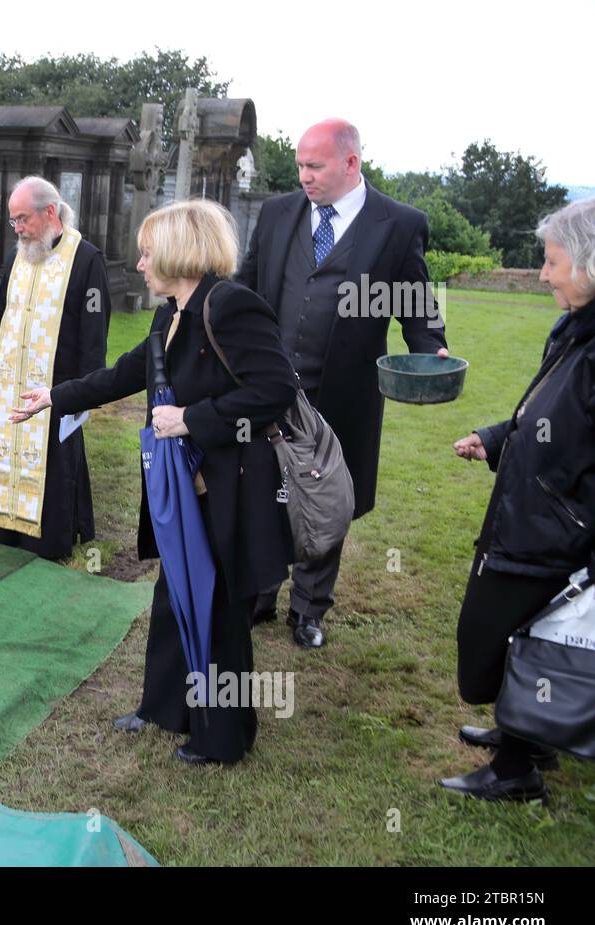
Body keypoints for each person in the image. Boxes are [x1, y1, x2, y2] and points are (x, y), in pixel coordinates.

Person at [10, 200, 297, 765]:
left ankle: (224, 738)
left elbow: (275, 388)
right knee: (174, 596)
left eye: (147, 252)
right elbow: (126, 371)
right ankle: (166, 706)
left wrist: (193, 419)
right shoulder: (172, 312)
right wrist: (55, 397)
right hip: (183, 490)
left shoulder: (232, 306)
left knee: (217, 608)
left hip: (230, 489)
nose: (140, 264)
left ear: (177, 251)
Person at [235, 119, 449, 649]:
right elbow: (248, 282)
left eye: (315, 166)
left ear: (351, 163)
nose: (303, 176)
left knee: (326, 498)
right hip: (269, 387)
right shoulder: (279, 212)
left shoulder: (397, 224)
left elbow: (415, 303)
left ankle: (308, 609)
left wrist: (432, 350)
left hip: (344, 395)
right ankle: (260, 593)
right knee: (264, 489)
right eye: (300, 166)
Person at [441, 197, 595, 802]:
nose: (543, 273)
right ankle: (527, 736)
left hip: (556, 532)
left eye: (553, 261)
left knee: (502, 636)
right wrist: (495, 438)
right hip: (536, 518)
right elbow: (546, 413)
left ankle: (515, 771)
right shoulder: (576, 328)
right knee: (527, 637)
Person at [0, 176, 110, 561]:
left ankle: (47, 537)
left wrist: (89, 388)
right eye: (12, 221)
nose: (17, 229)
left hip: (57, 385)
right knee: (6, 448)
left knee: (54, 459)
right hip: (9, 380)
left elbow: (94, 333)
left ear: (50, 212)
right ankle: (2, 525)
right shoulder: (18, 253)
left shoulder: (87, 260)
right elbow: (0, 312)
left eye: (22, 219)